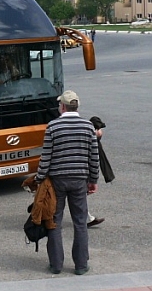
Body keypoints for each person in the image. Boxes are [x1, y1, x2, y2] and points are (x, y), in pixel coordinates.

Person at [35, 90, 99, 275]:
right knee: (80, 222)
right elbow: (93, 157)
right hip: (79, 180)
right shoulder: (88, 126)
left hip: (57, 181)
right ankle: (81, 265)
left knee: (54, 221)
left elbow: (46, 157)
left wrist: (39, 179)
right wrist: (93, 180)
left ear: (62, 106)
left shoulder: (53, 127)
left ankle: (56, 264)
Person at [87, 115, 115, 227]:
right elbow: (94, 160)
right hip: (77, 172)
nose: (101, 132)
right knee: (75, 194)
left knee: (76, 195)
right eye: (99, 129)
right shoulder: (91, 139)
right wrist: (93, 181)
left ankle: (87, 219)